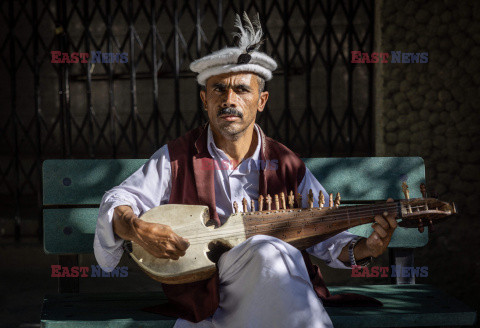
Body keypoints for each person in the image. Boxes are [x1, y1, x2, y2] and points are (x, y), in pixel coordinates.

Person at [94, 12, 397, 328]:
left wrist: (368, 248)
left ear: (262, 100)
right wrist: (136, 228)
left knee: (270, 252)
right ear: (204, 100)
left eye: (241, 90)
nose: (229, 100)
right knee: (272, 253)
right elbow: (120, 198)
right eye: (218, 90)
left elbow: (327, 238)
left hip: (274, 280)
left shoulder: (286, 163)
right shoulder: (178, 157)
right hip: (205, 289)